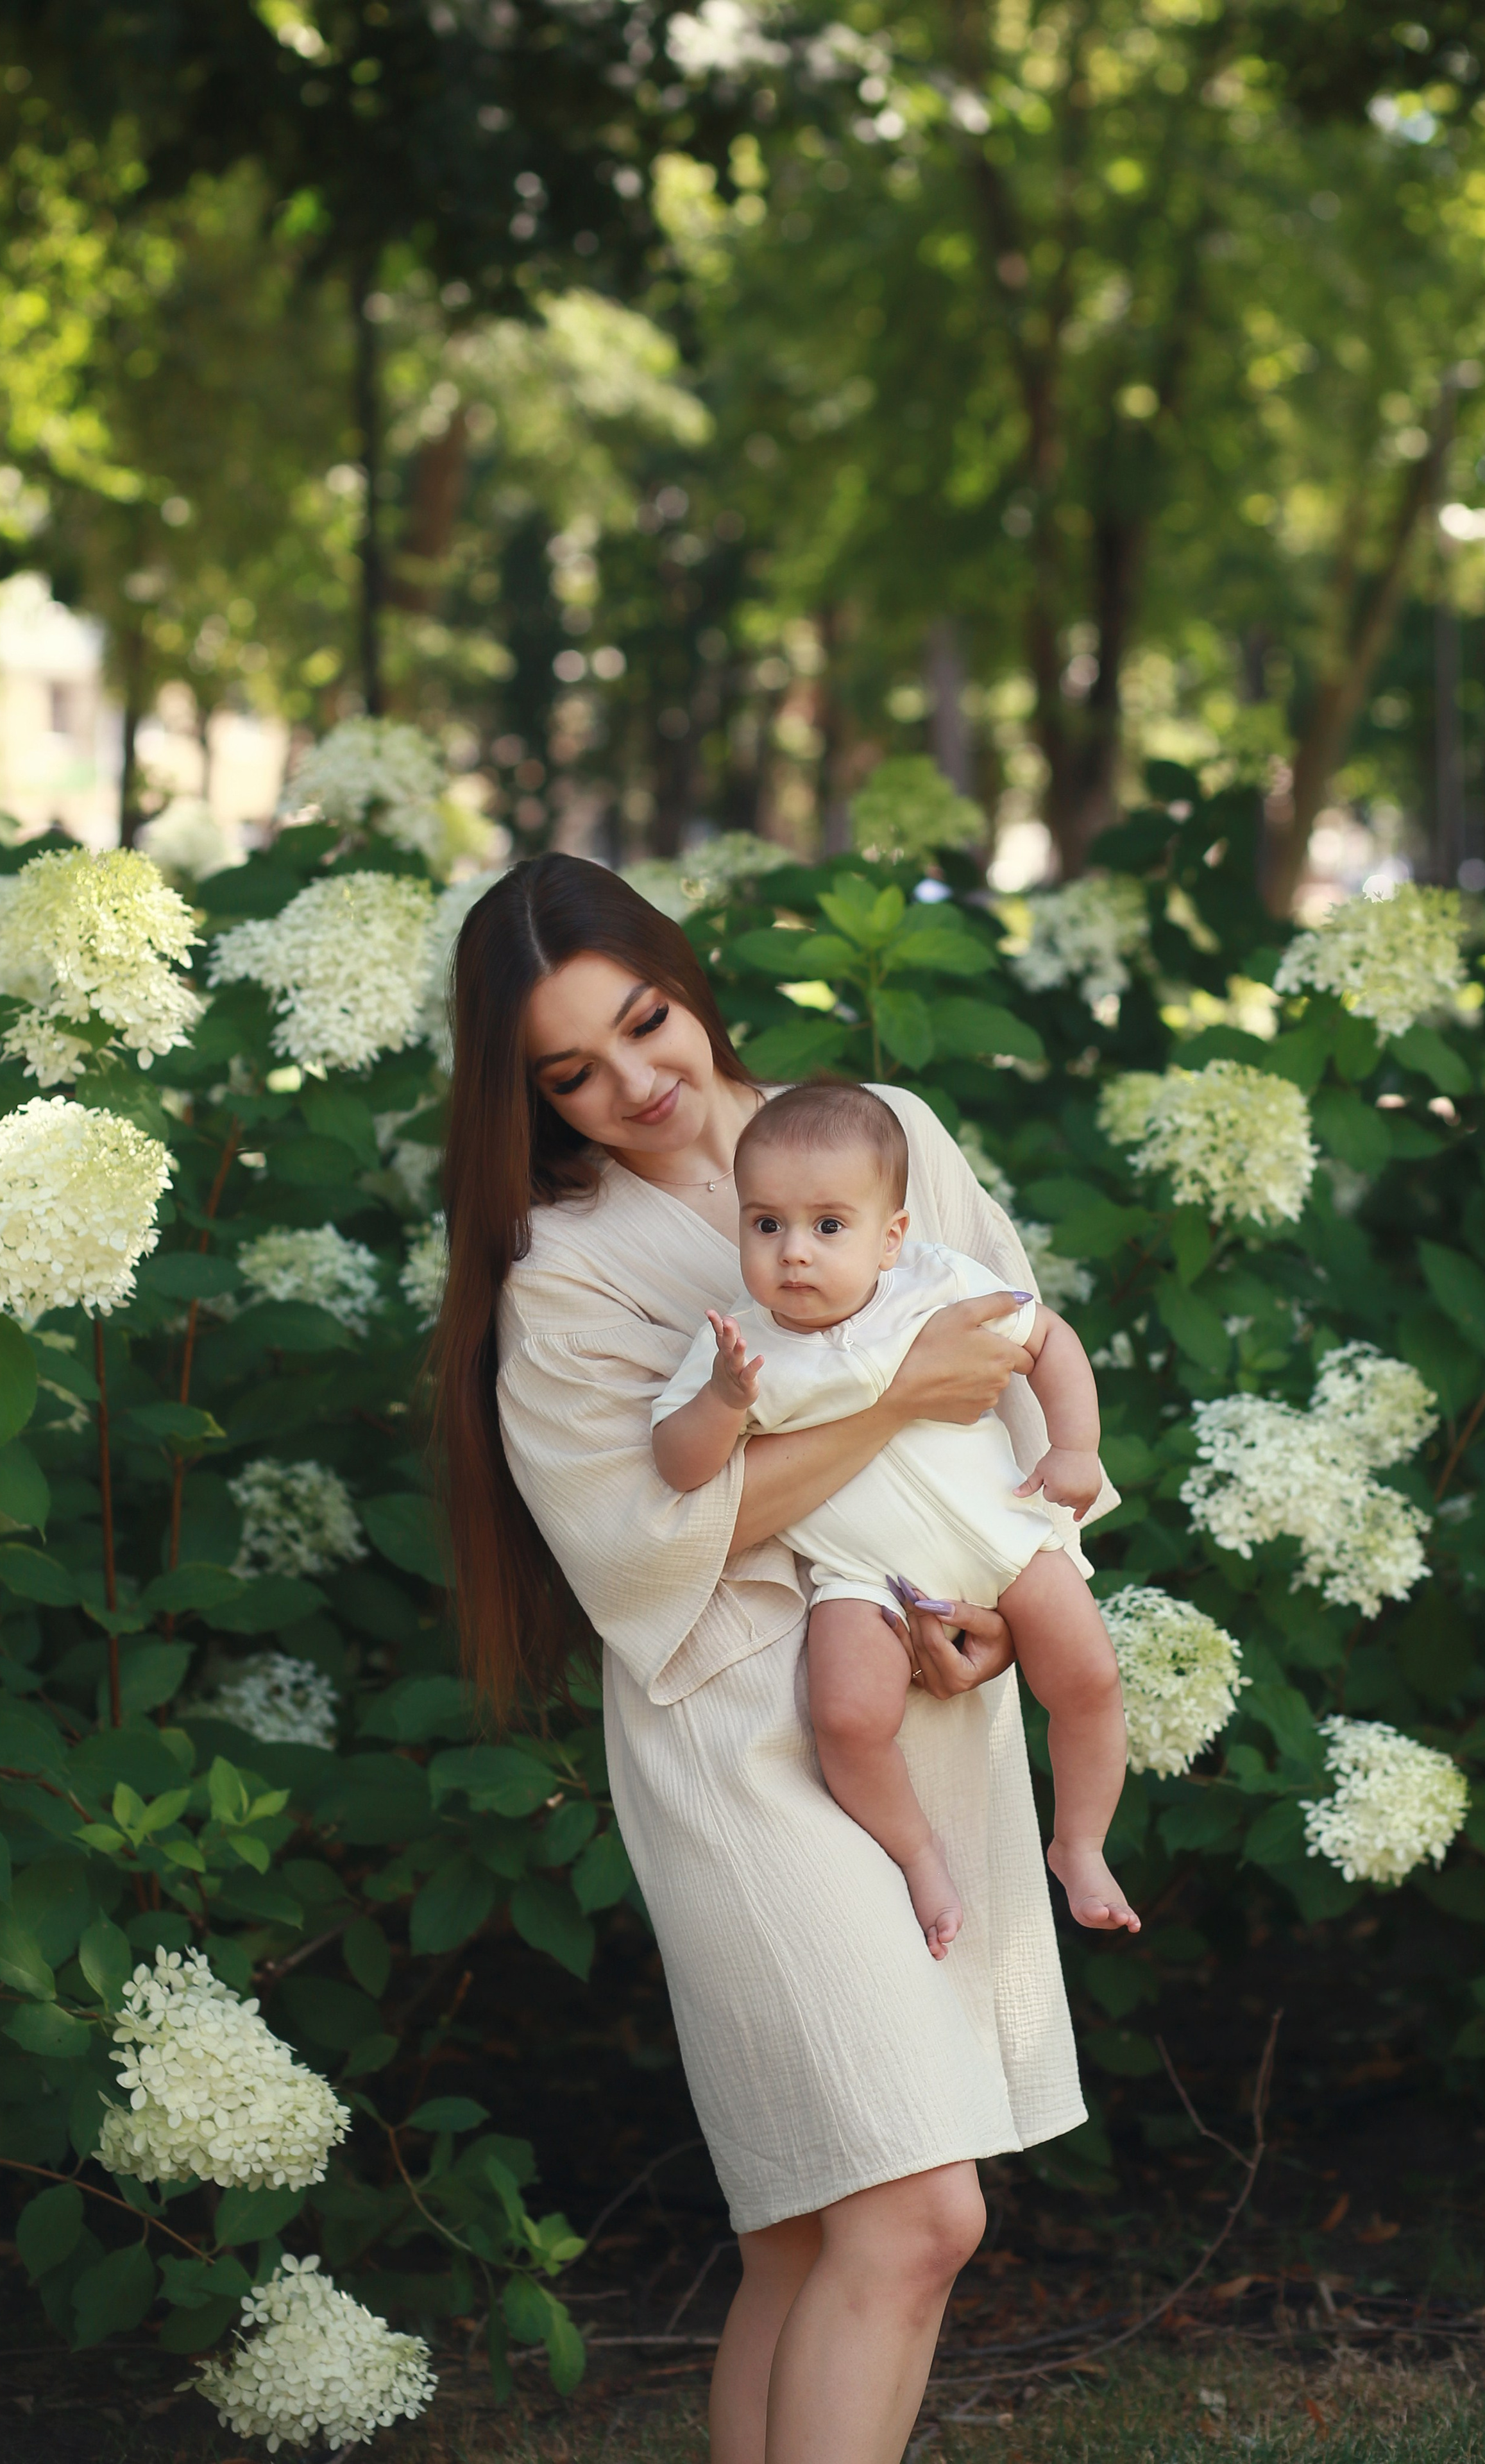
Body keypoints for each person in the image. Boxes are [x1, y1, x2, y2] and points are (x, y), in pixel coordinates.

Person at [436, 853, 1117, 2464]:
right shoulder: (567, 1272)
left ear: (687, 978)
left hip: (928, 1693)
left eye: (646, 1021)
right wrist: (887, 1401)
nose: (634, 1085)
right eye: (569, 1075)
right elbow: (653, 1541)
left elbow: (1015, 1382)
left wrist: (993, 1610)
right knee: (914, 2215)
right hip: (738, 1733)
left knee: (814, 2234)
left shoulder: (882, 1134)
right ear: (523, 1099)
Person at [650, 1079, 1136, 1958]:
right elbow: (679, 1466)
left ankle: (1082, 1844)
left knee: (1091, 1681)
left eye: (829, 1226)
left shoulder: (938, 1288)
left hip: (1007, 1534)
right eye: (766, 1225)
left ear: (892, 1237)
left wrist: (1076, 1447)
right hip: (862, 1577)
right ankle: (917, 1854)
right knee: (844, 1718)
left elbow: (1049, 1340)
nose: (794, 1253)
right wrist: (723, 1403)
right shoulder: (739, 1345)